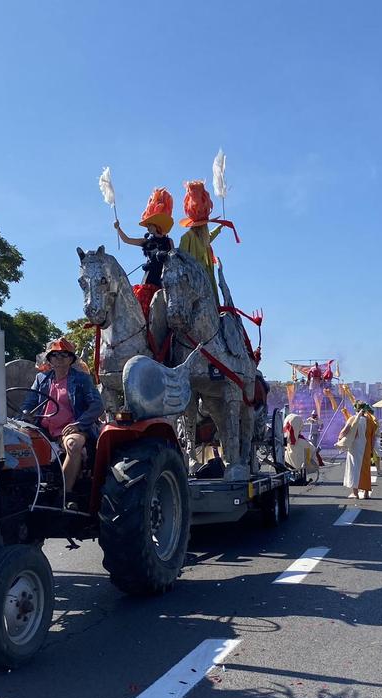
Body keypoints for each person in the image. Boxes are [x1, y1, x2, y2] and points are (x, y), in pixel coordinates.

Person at [22, 338, 104, 499]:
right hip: (44, 430)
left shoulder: (81, 379)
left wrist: (78, 424)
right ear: (49, 359)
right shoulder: (41, 379)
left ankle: (65, 494)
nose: (59, 358)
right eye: (55, 355)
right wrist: (27, 414)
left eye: (64, 355)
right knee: (14, 443)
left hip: (70, 428)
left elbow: (97, 406)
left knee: (74, 444)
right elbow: (29, 403)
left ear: (71, 359)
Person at [114, 187, 176, 320]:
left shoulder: (169, 241)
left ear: (156, 225)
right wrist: (118, 228)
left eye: (149, 225)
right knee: (142, 309)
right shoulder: (145, 241)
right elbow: (127, 240)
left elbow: (174, 260)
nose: (147, 227)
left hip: (164, 280)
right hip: (148, 280)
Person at [178, 180, 238, 300]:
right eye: (205, 224)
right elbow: (181, 258)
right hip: (194, 280)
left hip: (208, 278)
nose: (206, 226)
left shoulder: (203, 238)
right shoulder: (187, 238)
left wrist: (220, 226)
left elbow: (210, 236)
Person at [338, 401, 378, 499]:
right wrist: (372, 450)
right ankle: (366, 493)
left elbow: (344, 431)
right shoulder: (370, 421)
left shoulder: (352, 419)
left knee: (354, 469)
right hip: (366, 448)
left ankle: (355, 493)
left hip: (354, 447)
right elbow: (373, 438)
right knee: (365, 470)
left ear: (355, 409)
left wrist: (340, 439)